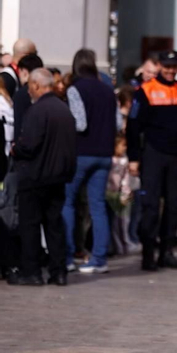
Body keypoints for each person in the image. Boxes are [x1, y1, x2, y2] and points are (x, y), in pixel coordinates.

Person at [9, 68, 76, 285]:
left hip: (35, 176)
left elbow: (29, 144)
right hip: (57, 176)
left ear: (37, 85)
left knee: (30, 225)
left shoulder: (38, 111)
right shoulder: (63, 109)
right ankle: (59, 271)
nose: (29, 92)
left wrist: (15, 149)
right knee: (54, 225)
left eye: (30, 87)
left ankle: (32, 272)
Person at [63, 49, 119, 273]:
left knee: (67, 202)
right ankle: (99, 258)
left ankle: (66, 256)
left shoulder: (76, 89)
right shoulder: (108, 91)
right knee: (98, 206)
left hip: (81, 152)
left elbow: (80, 123)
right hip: (104, 154)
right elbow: (118, 123)